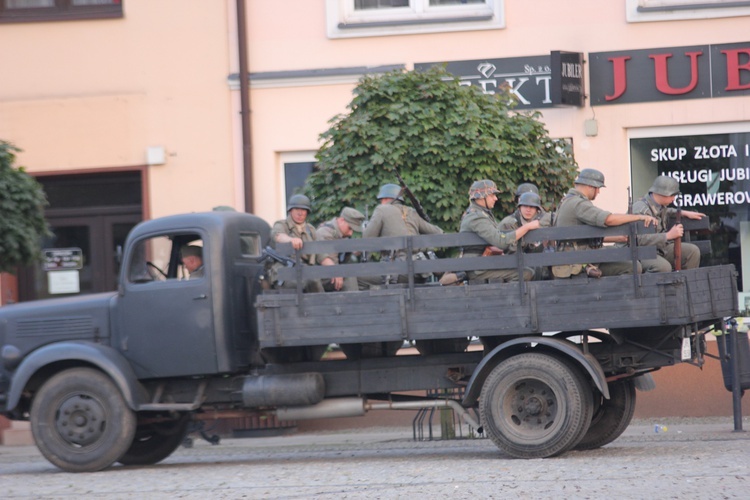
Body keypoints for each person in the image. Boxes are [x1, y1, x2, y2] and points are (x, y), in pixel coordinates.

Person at [552, 168, 657, 278]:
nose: (598, 192)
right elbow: (608, 219)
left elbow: (578, 235)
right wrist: (638, 216)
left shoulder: (567, 200)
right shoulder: (579, 203)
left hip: (576, 256)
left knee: (620, 252)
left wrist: (615, 238)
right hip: (579, 260)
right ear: (590, 186)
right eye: (597, 188)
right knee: (632, 266)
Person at [361, 183, 443, 286]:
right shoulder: (412, 212)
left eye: (381, 199)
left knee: (357, 278)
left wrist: (366, 228)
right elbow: (438, 232)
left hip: (397, 271)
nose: (381, 202)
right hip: (420, 272)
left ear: (387, 198)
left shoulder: (382, 209)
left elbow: (366, 239)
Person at [459, 179, 540, 283]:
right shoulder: (476, 217)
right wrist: (527, 227)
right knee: (526, 273)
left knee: (526, 269)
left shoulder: (482, 214)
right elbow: (500, 242)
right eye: (492, 195)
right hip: (478, 268)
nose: (495, 198)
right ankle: (508, 298)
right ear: (482, 196)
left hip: (482, 263)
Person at [630, 175, 704, 272]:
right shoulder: (640, 210)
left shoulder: (658, 205)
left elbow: (666, 211)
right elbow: (638, 240)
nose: (673, 199)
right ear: (661, 193)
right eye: (672, 195)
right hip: (642, 252)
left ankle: (685, 284)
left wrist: (683, 213)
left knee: (692, 252)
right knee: (663, 267)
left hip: (659, 248)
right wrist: (668, 236)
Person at [269, 194, 323, 292]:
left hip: (306, 269)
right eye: (297, 209)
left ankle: (322, 305)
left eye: (303, 210)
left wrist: (334, 271)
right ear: (290, 210)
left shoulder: (310, 230)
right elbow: (278, 235)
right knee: (298, 283)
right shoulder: (281, 224)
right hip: (285, 268)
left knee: (314, 279)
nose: (300, 213)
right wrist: (291, 240)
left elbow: (321, 254)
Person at [499, 191, 553, 280]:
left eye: (532, 207)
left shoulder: (537, 222)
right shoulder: (509, 223)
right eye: (525, 206)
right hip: (509, 263)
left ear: (537, 210)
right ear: (519, 207)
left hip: (528, 262)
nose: (528, 210)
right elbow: (510, 250)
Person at [316, 207, 366, 291]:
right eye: (349, 228)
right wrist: (337, 271)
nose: (350, 233)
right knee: (349, 277)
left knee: (365, 278)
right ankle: (354, 303)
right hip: (323, 277)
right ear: (342, 220)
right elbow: (326, 260)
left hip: (335, 273)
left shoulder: (340, 235)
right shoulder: (325, 232)